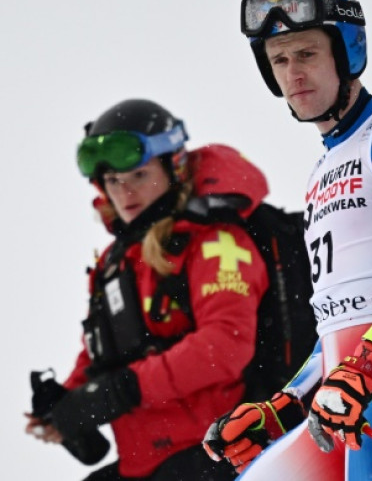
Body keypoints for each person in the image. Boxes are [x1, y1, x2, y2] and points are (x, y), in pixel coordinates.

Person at [202, 0, 372, 480]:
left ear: (346, 51)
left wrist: (368, 363)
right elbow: (337, 322)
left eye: (306, 54)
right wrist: (281, 406)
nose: (292, 73)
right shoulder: (321, 170)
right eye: (279, 60)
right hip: (348, 389)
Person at [26, 99, 271, 480]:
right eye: (112, 181)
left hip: (216, 451)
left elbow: (225, 345)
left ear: (172, 167)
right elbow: (102, 353)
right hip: (145, 461)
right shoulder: (115, 262)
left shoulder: (216, 241)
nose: (124, 193)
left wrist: (127, 388)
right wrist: (67, 403)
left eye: (138, 175)